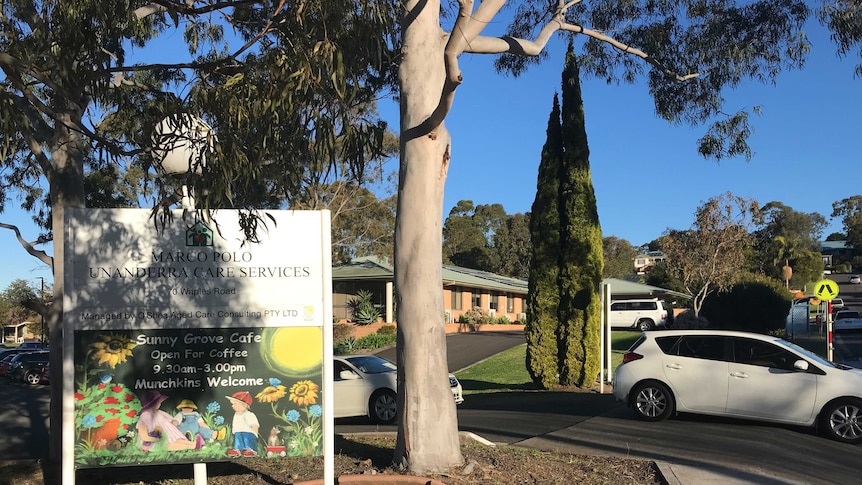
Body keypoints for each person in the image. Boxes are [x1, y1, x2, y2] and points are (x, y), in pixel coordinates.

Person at [136, 390, 203, 452]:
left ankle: (193, 443)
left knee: (177, 440)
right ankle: (192, 446)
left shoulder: (159, 413)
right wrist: (158, 439)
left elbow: (171, 421)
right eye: (158, 402)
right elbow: (144, 436)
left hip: (166, 437)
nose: (160, 404)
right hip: (151, 443)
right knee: (169, 445)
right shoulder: (145, 416)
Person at [226, 390, 259, 457]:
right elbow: (235, 424)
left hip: (248, 432)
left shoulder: (248, 414)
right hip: (238, 431)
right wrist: (234, 431)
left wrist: (255, 434)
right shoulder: (236, 414)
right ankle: (238, 449)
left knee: (246, 438)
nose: (233, 406)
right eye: (232, 404)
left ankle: (250, 449)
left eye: (235, 404)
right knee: (238, 439)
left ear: (243, 405)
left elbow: (254, 425)